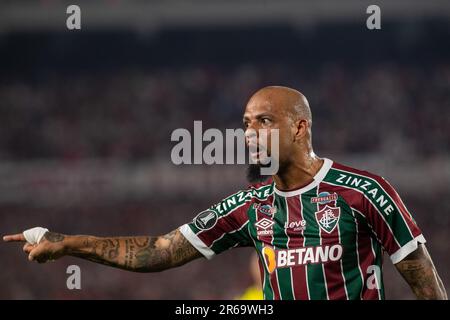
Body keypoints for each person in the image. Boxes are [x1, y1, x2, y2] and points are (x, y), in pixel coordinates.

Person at [3, 86, 447, 300]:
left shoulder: (362, 192)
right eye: (246, 123)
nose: (249, 133)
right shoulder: (249, 207)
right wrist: (70, 244)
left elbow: (424, 282)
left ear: (299, 127)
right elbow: (159, 250)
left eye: (263, 122)